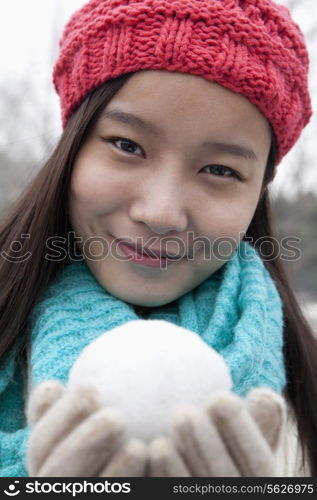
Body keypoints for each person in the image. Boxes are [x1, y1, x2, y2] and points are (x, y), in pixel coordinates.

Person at [0, 0, 316, 478]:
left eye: (220, 170)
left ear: (259, 193)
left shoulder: (302, 415)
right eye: (127, 145)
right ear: (73, 145)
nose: (161, 213)